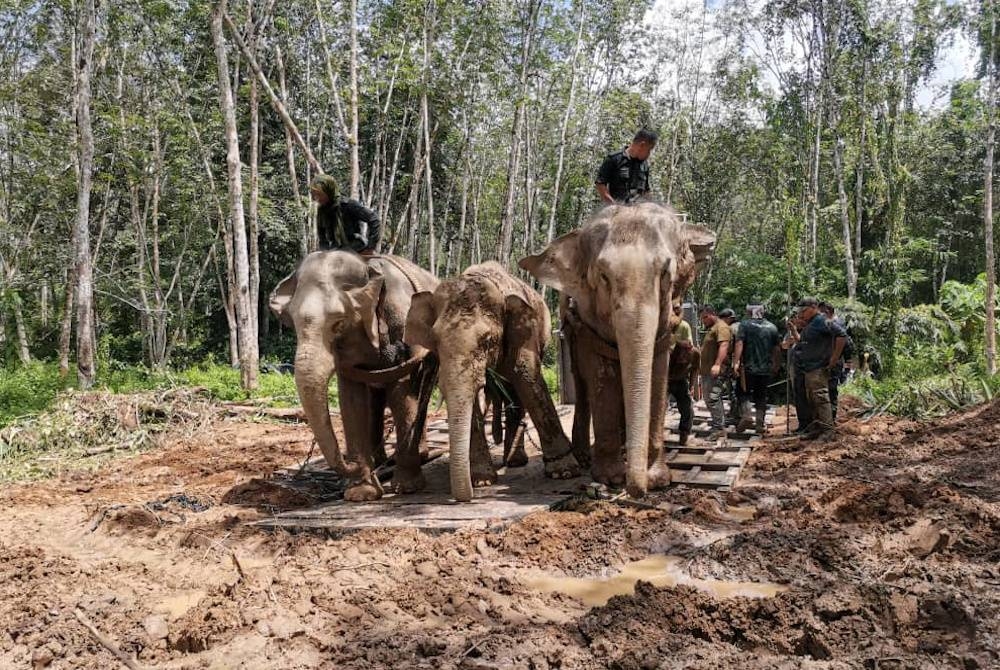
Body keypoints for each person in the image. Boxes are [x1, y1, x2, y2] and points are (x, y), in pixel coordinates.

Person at [793, 297, 847, 441]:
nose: (801, 314)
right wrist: (793, 329)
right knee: (812, 400)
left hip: (818, 368)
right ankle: (817, 428)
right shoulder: (811, 324)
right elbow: (802, 342)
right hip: (809, 369)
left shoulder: (822, 321)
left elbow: (841, 335)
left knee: (821, 399)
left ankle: (828, 431)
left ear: (813, 307)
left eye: (804, 311)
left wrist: (834, 359)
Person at [733, 304, 781, 433]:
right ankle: (760, 423)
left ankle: (747, 415)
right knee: (761, 395)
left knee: (743, 393)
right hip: (765, 369)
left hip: (748, 368)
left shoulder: (745, 325)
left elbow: (739, 343)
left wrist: (736, 362)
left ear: (751, 312)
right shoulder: (772, 327)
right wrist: (776, 365)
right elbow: (777, 348)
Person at [310, 175, 381, 254]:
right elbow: (322, 236)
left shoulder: (348, 205)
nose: (317, 198)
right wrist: (324, 252)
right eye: (315, 195)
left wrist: (370, 247)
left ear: (329, 191)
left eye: (320, 194)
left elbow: (374, 219)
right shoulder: (322, 211)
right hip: (335, 250)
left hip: (356, 248)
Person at [595, 129, 657, 204]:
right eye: (649, 150)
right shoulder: (614, 159)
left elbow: (646, 191)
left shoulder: (644, 165)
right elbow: (600, 184)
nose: (649, 154)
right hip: (617, 209)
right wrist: (613, 205)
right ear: (642, 145)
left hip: (638, 211)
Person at [668, 304, 701, 446]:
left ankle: (684, 434)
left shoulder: (694, 354)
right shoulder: (668, 355)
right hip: (664, 379)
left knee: (687, 408)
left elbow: (694, 369)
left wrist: (692, 386)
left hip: (680, 381)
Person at [698, 305, 732, 440]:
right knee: (711, 398)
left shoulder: (721, 327)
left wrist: (717, 364)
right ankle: (718, 425)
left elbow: (724, 345)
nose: (703, 321)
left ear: (713, 314)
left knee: (712, 398)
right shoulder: (711, 329)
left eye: (705, 317)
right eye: (702, 319)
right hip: (708, 371)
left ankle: (718, 428)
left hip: (716, 370)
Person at [819, 301, 850, 422]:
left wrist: (836, 360)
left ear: (827, 312)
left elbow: (846, 344)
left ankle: (831, 419)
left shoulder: (837, 324)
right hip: (825, 360)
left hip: (833, 361)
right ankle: (825, 419)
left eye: (821, 312)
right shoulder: (828, 323)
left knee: (831, 390)